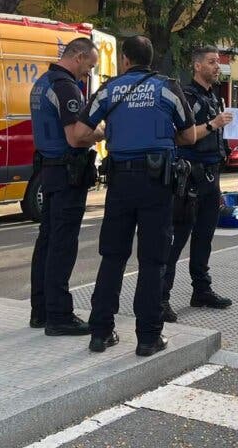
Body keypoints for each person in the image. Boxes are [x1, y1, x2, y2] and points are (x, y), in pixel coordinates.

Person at [73, 36, 198, 357]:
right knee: (153, 260)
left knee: (112, 256)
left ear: (125, 59)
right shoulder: (168, 87)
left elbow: (80, 134)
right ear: (150, 59)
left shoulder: (110, 89)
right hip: (157, 182)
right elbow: (189, 135)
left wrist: (109, 133)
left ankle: (100, 333)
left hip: (120, 181)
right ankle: (148, 337)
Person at [28, 38, 105, 336]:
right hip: (66, 172)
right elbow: (76, 137)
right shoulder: (66, 86)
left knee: (47, 241)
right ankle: (60, 315)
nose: (88, 75)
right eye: (89, 68)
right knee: (62, 244)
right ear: (79, 56)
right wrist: (100, 132)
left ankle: (41, 310)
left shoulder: (42, 82)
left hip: (49, 170)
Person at [162, 46, 235, 322]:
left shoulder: (213, 96)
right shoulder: (187, 96)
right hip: (190, 175)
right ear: (196, 66)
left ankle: (201, 289)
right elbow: (182, 137)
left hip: (211, 174)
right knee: (178, 237)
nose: (217, 67)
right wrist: (214, 124)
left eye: (218, 62)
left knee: (204, 236)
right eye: (212, 62)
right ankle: (162, 297)